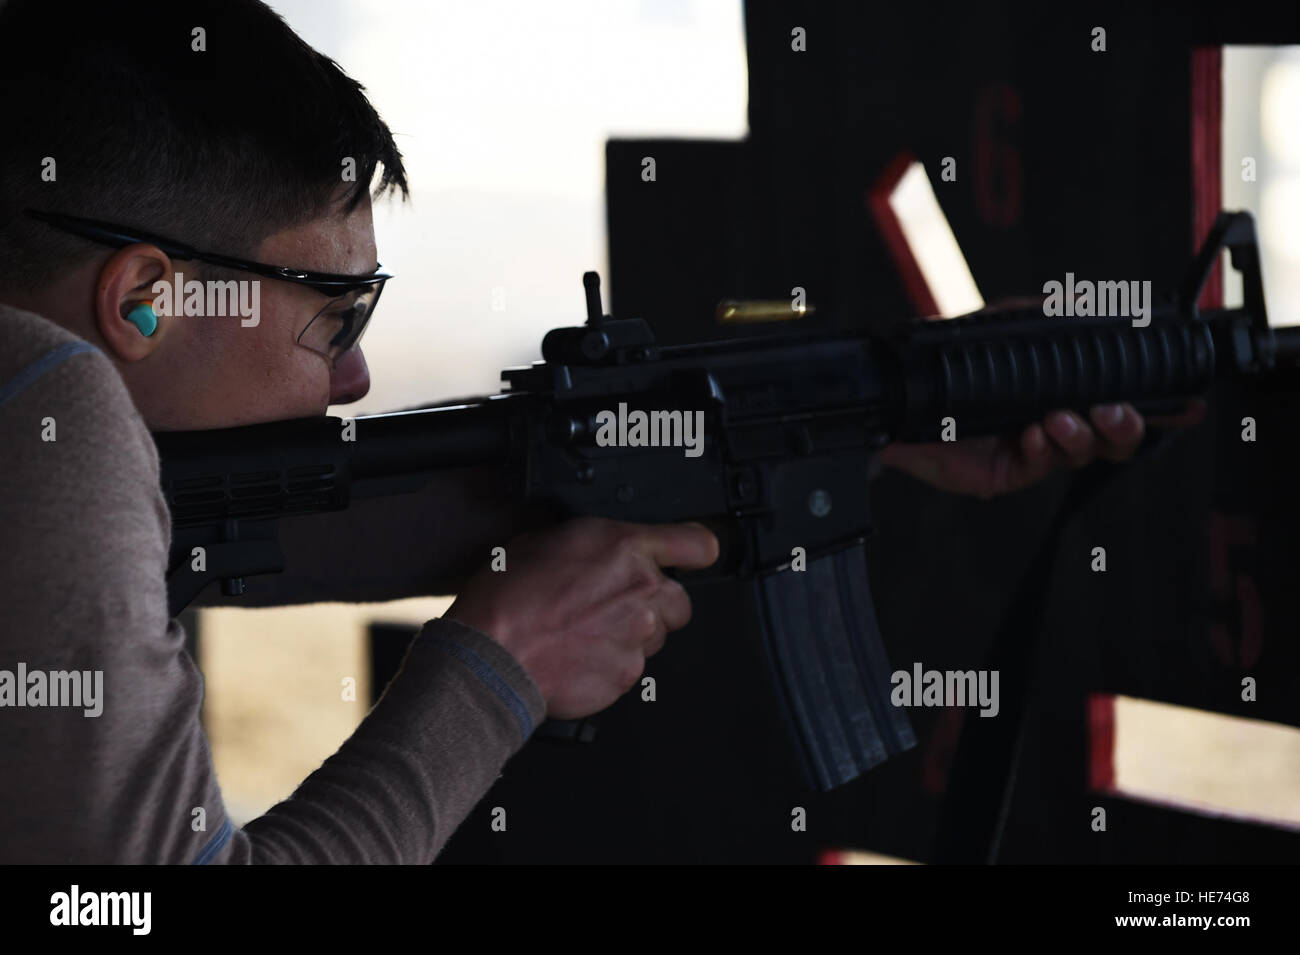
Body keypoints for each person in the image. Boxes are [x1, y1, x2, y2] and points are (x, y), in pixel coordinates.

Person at [0, 0, 1196, 864]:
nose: (357, 377)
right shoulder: (56, 401)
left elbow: (251, 525)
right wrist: (496, 667)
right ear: (145, 297)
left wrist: (847, 427)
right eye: (335, 314)